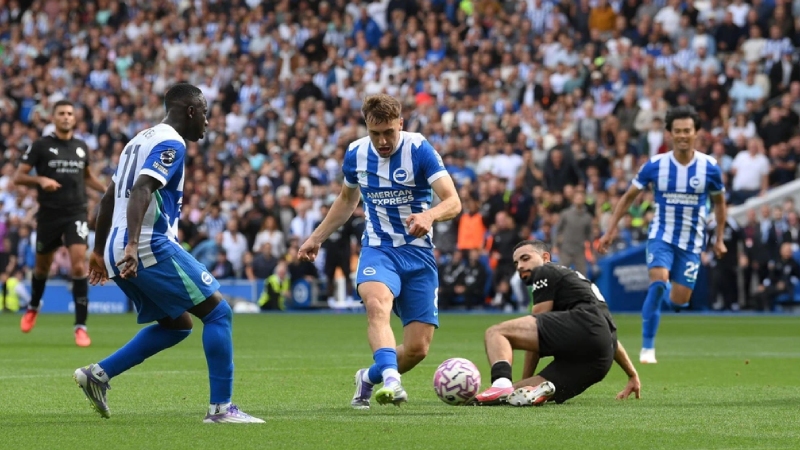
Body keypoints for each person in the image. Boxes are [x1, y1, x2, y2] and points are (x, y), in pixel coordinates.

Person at [73, 83, 264, 423]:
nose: (207, 122)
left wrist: (99, 252)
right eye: (205, 113)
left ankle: (98, 374)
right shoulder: (171, 142)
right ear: (191, 110)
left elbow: (107, 198)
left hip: (120, 248)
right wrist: (133, 244)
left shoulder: (137, 141)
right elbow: (142, 189)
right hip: (147, 243)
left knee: (177, 325)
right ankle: (221, 409)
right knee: (219, 314)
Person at [298, 94, 461, 409]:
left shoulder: (419, 150)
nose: (383, 141)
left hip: (418, 256)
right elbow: (347, 200)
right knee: (376, 304)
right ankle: (392, 381)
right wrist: (316, 236)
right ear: (366, 128)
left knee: (417, 349)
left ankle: (370, 376)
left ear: (401, 123)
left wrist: (429, 216)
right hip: (378, 248)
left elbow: (453, 201)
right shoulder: (356, 154)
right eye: (375, 134)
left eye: (389, 132)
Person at [598, 105, 728, 364]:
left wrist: (720, 238)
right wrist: (611, 229)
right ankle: (647, 349)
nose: (682, 135)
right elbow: (628, 197)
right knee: (657, 284)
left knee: (679, 301)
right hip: (661, 235)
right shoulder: (655, 165)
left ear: (696, 133)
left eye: (687, 131)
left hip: (692, 241)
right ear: (669, 133)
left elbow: (720, 204)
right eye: (677, 131)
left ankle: (664, 294)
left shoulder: (709, 168)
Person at [473, 240, 641, 406]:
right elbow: (607, 335)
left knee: (495, 332)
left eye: (525, 258)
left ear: (546, 257)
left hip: (583, 326)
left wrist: (523, 377)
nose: (520, 266)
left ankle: (500, 383)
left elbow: (535, 327)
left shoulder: (545, 270)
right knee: (512, 394)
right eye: (516, 263)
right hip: (600, 359)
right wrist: (632, 375)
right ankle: (536, 391)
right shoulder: (575, 282)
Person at [14, 100, 106, 346]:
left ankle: (80, 326)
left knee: (78, 266)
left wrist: (108, 190)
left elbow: (87, 178)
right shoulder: (41, 146)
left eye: (69, 114)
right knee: (42, 267)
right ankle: (33, 306)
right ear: (53, 118)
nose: (66, 117)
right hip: (48, 215)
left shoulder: (80, 146)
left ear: (74, 119)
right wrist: (41, 180)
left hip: (76, 213)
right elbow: (18, 177)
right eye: (62, 114)